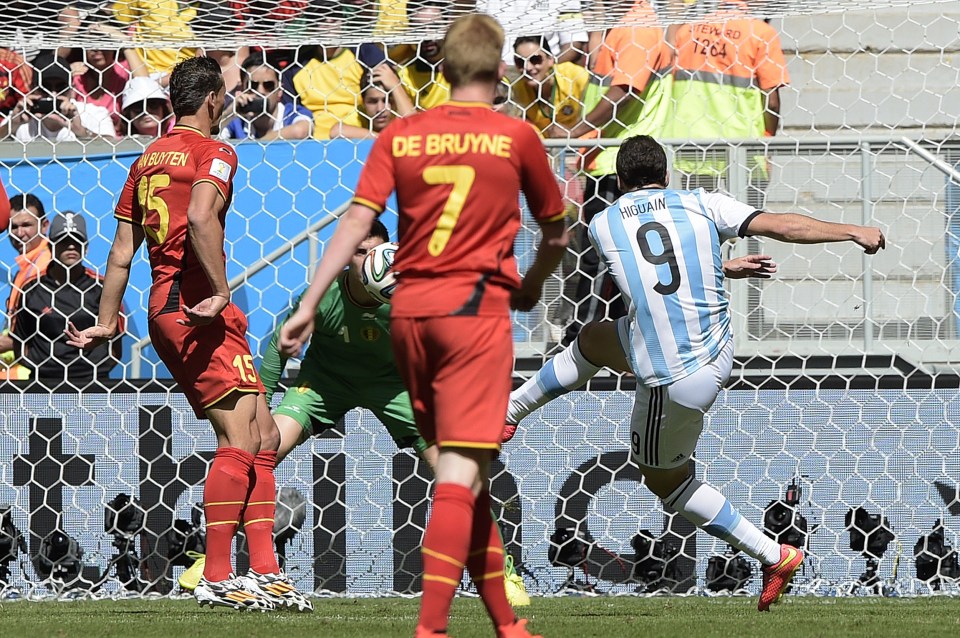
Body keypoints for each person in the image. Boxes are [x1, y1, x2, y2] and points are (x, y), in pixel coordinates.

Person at [503, 135, 886, 612]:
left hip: (674, 373)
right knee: (595, 339)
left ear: (619, 182)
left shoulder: (603, 223)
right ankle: (511, 410)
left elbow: (651, 273)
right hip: (717, 351)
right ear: (667, 176)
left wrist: (718, 267)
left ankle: (775, 555)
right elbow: (782, 226)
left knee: (665, 482)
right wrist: (850, 229)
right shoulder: (703, 203)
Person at [279, 13, 567, 638]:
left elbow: (357, 220)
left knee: (467, 475)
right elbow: (556, 230)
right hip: (474, 315)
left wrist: (309, 300)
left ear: (441, 67)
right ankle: (431, 628)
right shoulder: (515, 136)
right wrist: (536, 284)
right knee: (459, 473)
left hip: (409, 318)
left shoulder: (403, 135)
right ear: (500, 69)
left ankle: (505, 623)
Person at [65, 57, 311, 613]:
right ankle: (219, 576)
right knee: (238, 439)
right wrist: (222, 292)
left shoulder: (147, 158)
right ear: (211, 102)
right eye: (223, 97)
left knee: (263, 436)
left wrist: (108, 320)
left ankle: (266, 571)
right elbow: (202, 218)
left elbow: (122, 253)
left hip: (167, 306)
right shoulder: (215, 151)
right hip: (197, 306)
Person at [260, 222, 531, 607]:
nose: (369, 260)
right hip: (324, 383)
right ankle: (214, 559)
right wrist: (261, 406)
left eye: (377, 251)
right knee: (261, 450)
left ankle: (501, 573)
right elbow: (276, 349)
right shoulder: (322, 295)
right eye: (358, 252)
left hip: (396, 386)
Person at [549, 0, 673, 346]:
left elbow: (625, 91)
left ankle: (581, 339)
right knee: (610, 254)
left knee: (602, 253)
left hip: (619, 163)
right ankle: (619, 338)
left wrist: (576, 131)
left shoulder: (637, 27)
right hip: (607, 159)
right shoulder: (622, 27)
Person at [669, 0, 790, 208]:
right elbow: (772, 101)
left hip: (693, 141)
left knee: (701, 219)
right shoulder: (761, 32)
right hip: (743, 144)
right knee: (748, 223)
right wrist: (768, 142)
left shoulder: (688, 30)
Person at [10, 212, 123, 386]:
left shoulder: (101, 288)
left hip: (93, 383)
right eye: (64, 241)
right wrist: (43, 367)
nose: (71, 247)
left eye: (77, 241)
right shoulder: (31, 289)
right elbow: (20, 342)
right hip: (43, 384)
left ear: (86, 247)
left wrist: (95, 368)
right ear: (51, 247)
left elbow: (116, 341)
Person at [0, 193, 52, 381]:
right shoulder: (26, 266)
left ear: (44, 226)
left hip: (38, 372)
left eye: (27, 225)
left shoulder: (48, 266)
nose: (19, 233)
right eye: (14, 226)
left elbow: (47, 328)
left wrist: (9, 344)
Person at [219, 52, 313, 141]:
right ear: (243, 88)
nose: (260, 92)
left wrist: (259, 144)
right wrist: (229, 113)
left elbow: (301, 131)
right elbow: (211, 140)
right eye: (253, 85)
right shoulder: (237, 120)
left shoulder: (293, 113)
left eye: (268, 85)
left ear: (280, 90)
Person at [511, 36, 589, 134]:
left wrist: (573, 132)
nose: (528, 67)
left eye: (535, 59)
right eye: (520, 62)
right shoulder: (518, 90)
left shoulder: (575, 76)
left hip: (582, 141)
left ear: (550, 60)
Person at [331, 65, 414, 138]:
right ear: (363, 102)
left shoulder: (402, 112)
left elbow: (416, 127)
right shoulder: (361, 114)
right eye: (373, 102)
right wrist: (382, 138)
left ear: (396, 100)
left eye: (387, 100)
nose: (380, 109)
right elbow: (336, 131)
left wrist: (396, 86)